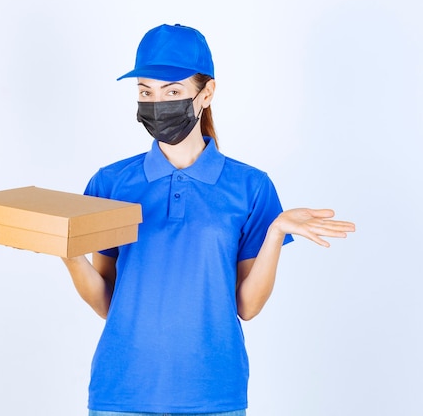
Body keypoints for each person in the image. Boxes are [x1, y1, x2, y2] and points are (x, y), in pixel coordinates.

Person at [61, 23, 355, 416]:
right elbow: (107, 303)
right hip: (123, 392)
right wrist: (66, 252)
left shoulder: (250, 186)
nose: (156, 103)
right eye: (146, 92)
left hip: (213, 394)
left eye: (173, 91)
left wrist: (275, 233)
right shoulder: (111, 183)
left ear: (207, 93)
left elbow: (247, 307)